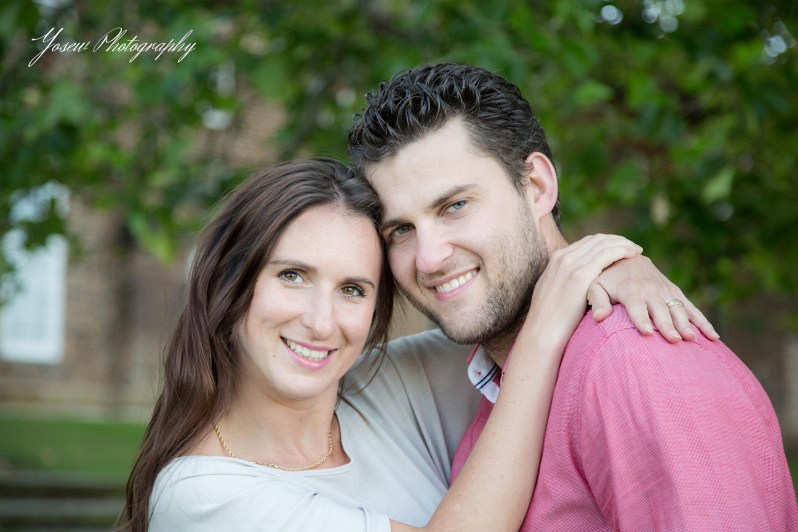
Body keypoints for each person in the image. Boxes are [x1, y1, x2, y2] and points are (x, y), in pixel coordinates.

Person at [122, 158, 695, 531]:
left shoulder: (389, 384)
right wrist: (546, 330)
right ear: (231, 281)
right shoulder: (201, 495)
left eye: (352, 289)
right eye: (292, 275)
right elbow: (540, 326)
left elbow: (515, 306)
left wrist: (615, 265)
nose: (322, 322)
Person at [348, 63, 798, 530]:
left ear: (537, 186)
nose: (429, 259)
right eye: (401, 229)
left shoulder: (635, 358)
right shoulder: (492, 389)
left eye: (455, 206)